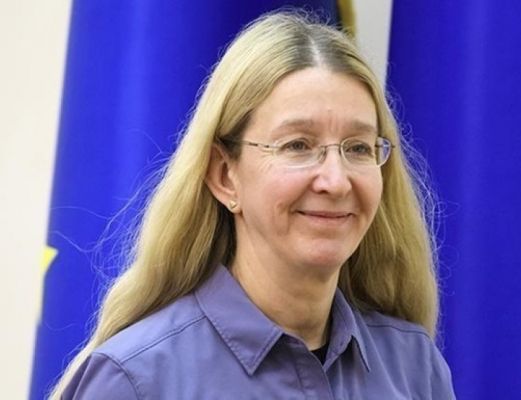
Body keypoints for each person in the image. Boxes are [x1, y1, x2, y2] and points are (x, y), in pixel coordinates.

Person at [52, 11, 455, 399]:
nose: (336, 181)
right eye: (298, 145)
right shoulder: (135, 381)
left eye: (358, 148)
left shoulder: (414, 367)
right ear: (224, 176)